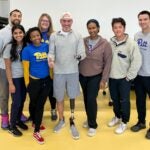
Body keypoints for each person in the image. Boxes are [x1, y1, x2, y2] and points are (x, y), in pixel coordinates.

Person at [48, 12, 86, 140]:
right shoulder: (54, 36)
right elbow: (51, 52)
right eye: (64, 21)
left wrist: (78, 56)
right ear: (60, 21)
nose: (66, 23)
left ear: (72, 22)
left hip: (72, 71)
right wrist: (51, 60)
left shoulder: (78, 35)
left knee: (72, 95)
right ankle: (61, 119)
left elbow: (82, 53)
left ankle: (72, 119)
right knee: (59, 97)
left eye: (69, 21)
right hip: (58, 72)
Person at [108, 17, 142, 134]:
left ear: (124, 28)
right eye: (115, 27)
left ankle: (124, 122)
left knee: (124, 101)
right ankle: (117, 117)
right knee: (115, 100)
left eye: (120, 27)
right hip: (112, 78)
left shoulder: (131, 43)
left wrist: (129, 77)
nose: (117, 29)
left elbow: (137, 61)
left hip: (124, 79)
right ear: (112, 29)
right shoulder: (110, 42)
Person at [79, 19, 112, 137]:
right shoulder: (83, 41)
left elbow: (108, 63)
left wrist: (104, 79)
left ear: (98, 28)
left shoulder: (105, 44)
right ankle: (89, 119)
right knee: (86, 99)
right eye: (89, 28)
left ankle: (93, 125)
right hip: (82, 75)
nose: (92, 30)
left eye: (94, 28)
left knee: (91, 100)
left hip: (96, 76)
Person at [22, 27, 51, 144]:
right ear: (30, 38)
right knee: (33, 103)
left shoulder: (46, 47)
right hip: (33, 82)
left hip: (46, 81)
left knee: (40, 105)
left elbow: (51, 61)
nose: (36, 38)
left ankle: (36, 130)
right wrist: (27, 84)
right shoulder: (27, 50)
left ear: (41, 36)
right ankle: (34, 121)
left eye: (38, 35)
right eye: (33, 36)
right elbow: (25, 69)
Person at [3, 25, 28, 136]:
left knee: (22, 100)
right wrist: (11, 83)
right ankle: (11, 126)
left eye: (20, 32)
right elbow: (7, 67)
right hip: (15, 78)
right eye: (16, 33)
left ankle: (18, 120)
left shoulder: (27, 45)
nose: (18, 35)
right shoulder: (9, 47)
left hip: (25, 78)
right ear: (13, 35)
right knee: (16, 102)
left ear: (24, 33)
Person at [0, 9, 22, 129]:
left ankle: (18, 113)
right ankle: (4, 117)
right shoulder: (2, 33)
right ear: (10, 17)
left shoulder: (21, 31)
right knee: (4, 94)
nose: (17, 17)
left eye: (19, 16)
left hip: (17, 70)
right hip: (4, 68)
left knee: (17, 94)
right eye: (14, 15)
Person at [130, 10, 150, 139]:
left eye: (145, 19)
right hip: (139, 75)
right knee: (140, 101)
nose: (142, 22)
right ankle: (141, 122)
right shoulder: (136, 36)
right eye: (140, 19)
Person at [37, 13, 57, 121]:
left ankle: (53, 109)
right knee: (39, 92)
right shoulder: (35, 33)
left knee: (52, 91)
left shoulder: (53, 35)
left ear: (50, 23)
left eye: (47, 21)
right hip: (38, 67)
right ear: (40, 22)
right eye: (43, 20)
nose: (45, 22)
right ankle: (37, 112)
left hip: (51, 68)